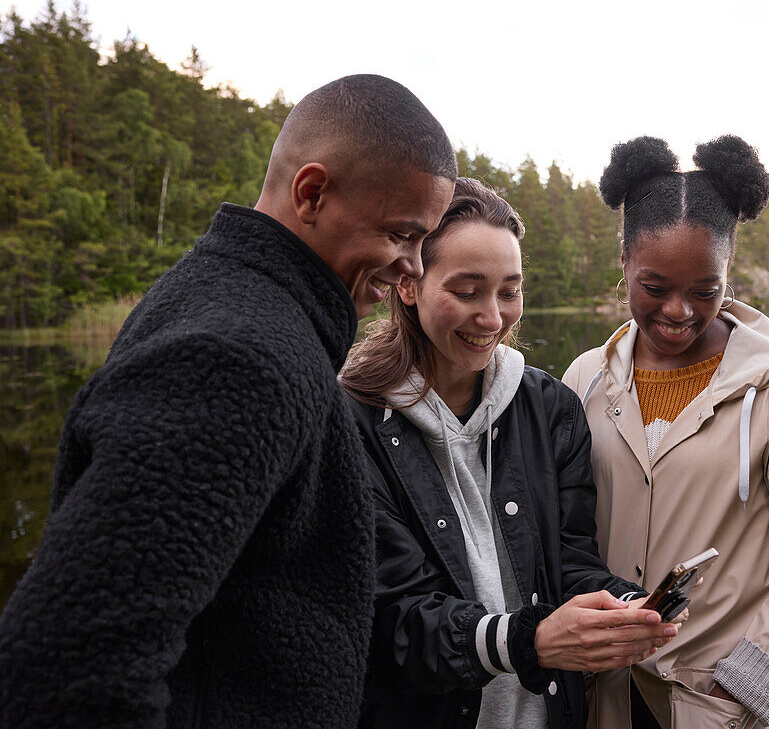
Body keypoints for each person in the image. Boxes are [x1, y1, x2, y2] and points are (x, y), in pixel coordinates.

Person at [0, 74, 456, 728]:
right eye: (402, 234)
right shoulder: (242, 358)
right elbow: (69, 672)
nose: (413, 266)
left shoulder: (232, 297)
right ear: (312, 193)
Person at [340, 177, 682, 729]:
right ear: (409, 285)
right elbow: (394, 621)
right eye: (467, 290)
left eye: (509, 290)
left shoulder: (552, 409)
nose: (494, 318)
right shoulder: (352, 422)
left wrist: (624, 606)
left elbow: (570, 560)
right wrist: (529, 641)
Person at [562, 136, 769, 729]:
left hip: (714, 707)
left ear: (729, 273)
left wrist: (743, 689)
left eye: (705, 290)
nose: (679, 311)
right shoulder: (585, 380)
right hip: (602, 699)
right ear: (623, 262)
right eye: (655, 287)